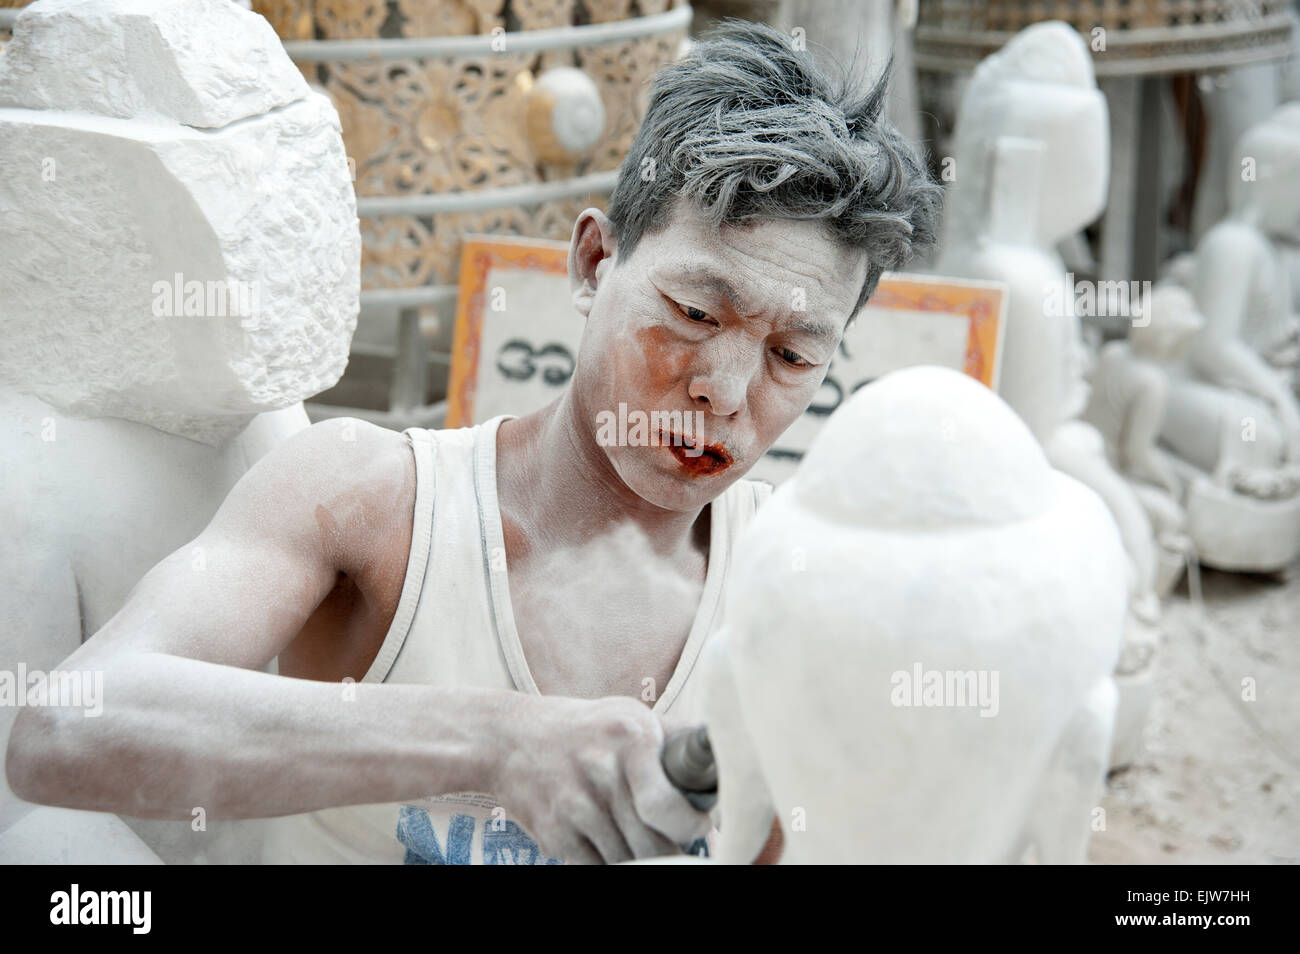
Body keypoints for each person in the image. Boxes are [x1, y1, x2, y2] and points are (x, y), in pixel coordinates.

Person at [5, 20, 940, 864]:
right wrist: (501, 741)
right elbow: (64, 733)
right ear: (593, 262)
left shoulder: (798, 588)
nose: (724, 392)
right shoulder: (374, 503)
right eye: (694, 312)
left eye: (790, 355)